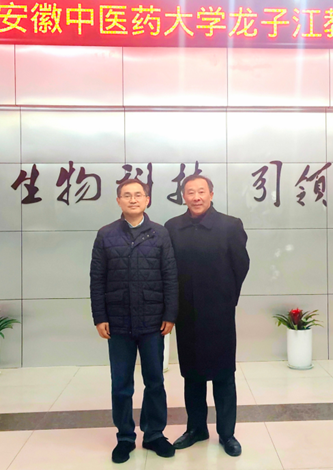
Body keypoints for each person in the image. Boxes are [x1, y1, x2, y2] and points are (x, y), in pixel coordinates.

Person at [90, 178, 178, 464]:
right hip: (118, 322)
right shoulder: (106, 234)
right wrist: (100, 317)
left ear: (147, 200)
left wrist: (170, 314)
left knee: (155, 381)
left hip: (153, 322)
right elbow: (97, 279)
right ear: (118, 201)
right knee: (121, 384)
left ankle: (154, 434)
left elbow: (170, 276)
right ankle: (125, 437)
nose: (133, 199)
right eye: (126, 195)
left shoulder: (160, 233)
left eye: (138, 195)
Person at [164, 174, 250, 457]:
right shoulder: (172, 227)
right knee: (192, 375)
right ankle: (196, 428)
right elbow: (168, 269)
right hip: (186, 313)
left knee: (224, 375)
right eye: (190, 192)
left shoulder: (230, 225)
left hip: (219, 313)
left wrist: (227, 298)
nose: (196, 197)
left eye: (202, 191)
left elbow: (241, 265)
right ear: (183, 196)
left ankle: (227, 434)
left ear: (211, 194)